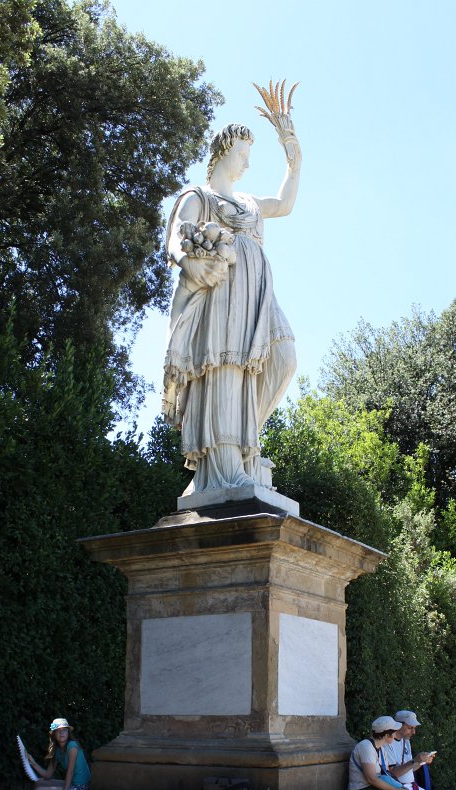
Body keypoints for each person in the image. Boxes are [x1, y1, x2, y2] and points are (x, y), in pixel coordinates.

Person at [162, 93, 301, 495]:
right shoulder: (199, 197)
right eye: (243, 153)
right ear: (226, 150)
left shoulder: (249, 201)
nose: (247, 162)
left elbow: (286, 203)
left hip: (259, 296)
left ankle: (243, 443)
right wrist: (186, 260)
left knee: (283, 358)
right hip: (222, 295)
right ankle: (225, 464)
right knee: (226, 368)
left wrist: (294, 156)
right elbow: (175, 238)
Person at [28, 718, 91, 790]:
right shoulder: (57, 750)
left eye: (64, 730)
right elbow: (48, 775)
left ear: (68, 732)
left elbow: (70, 771)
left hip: (81, 789)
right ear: (54, 734)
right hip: (71, 784)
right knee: (39, 783)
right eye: (58, 731)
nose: (61, 733)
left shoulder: (72, 746)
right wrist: (33, 763)